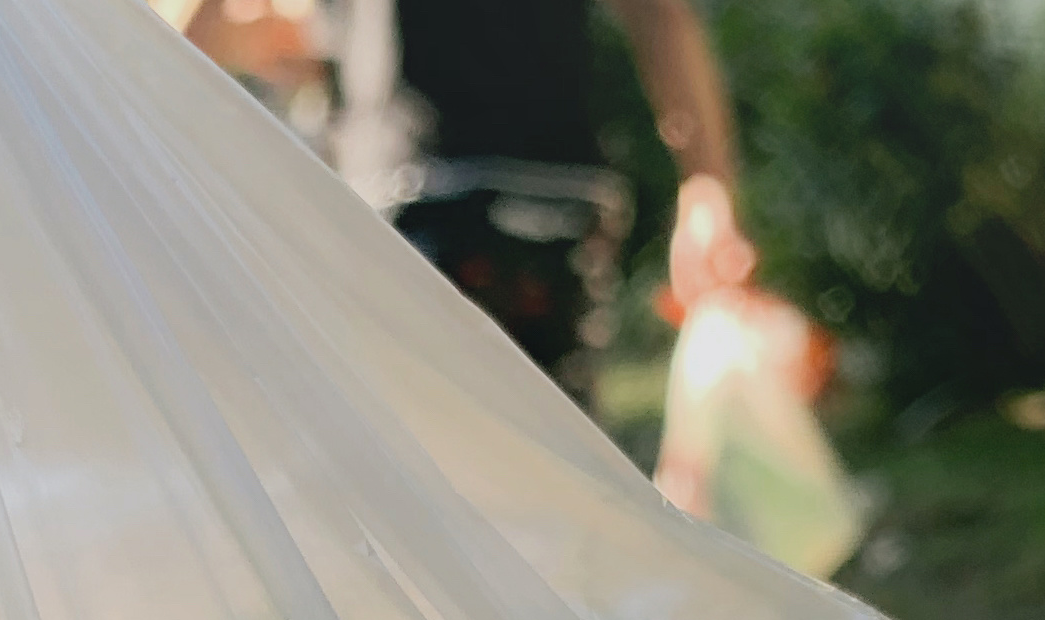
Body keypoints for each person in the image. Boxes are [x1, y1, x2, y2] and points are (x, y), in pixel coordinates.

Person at [174, 0, 760, 388]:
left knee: (406, 484)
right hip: (556, 196)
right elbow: (660, 13)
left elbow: (203, 29)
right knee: (555, 477)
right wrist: (706, 183)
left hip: (412, 192)